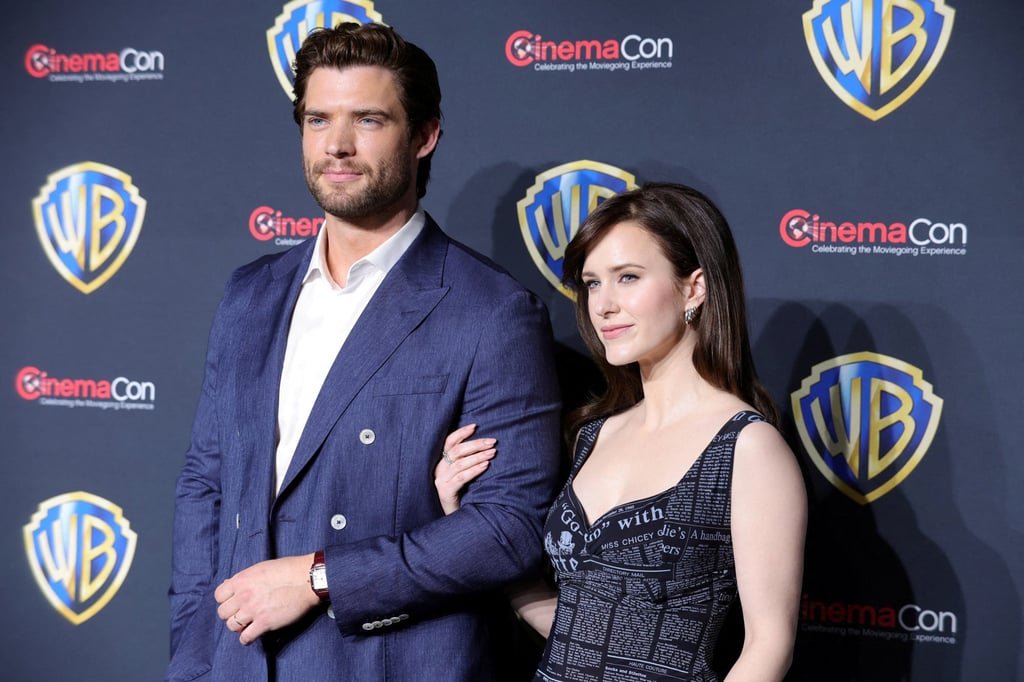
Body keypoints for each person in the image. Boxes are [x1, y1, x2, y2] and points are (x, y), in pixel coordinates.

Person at [167, 22, 562, 682]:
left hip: (388, 663)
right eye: (318, 119)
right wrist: (192, 655)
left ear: (424, 136)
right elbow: (206, 486)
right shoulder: (249, 295)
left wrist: (321, 578)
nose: (338, 145)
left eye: (369, 119)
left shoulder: (491, 311)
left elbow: (509, 529)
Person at [436, 183, 807, 681]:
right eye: (592, 283)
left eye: (627, 277)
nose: (603, 305)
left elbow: (768, 647)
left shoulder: (745, 447)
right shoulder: (594, 434)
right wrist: (467, 518)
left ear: (693, 287)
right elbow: (576, 627)